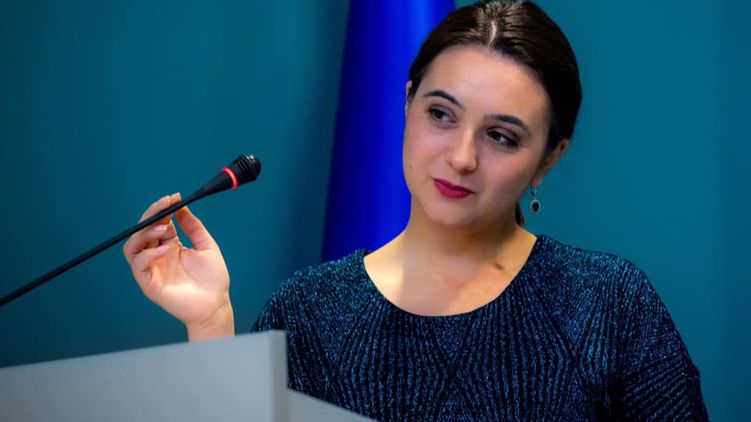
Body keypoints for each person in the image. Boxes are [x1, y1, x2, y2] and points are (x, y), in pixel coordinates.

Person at [122, 1, 709, 420]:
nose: (460, 157)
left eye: (501, 136)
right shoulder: (307, 312)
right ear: (408, 103)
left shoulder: (612, 305)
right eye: (441, 114)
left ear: (549, 158)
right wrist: (211, 324)